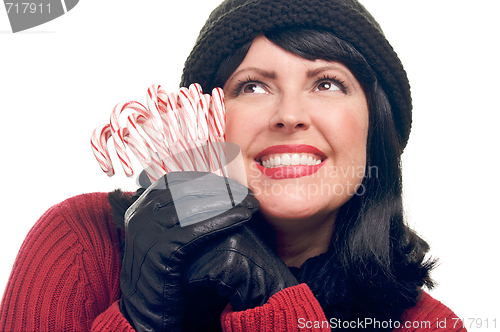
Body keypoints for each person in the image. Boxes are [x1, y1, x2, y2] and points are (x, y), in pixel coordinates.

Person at [0, 0, 467, 331]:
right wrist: (137, 320)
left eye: (326, 83)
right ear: (205, 117)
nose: (289, 114)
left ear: (375, 126)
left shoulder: (428, 327)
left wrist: (273, 306)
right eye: (253, 87)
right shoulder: (80, 241)